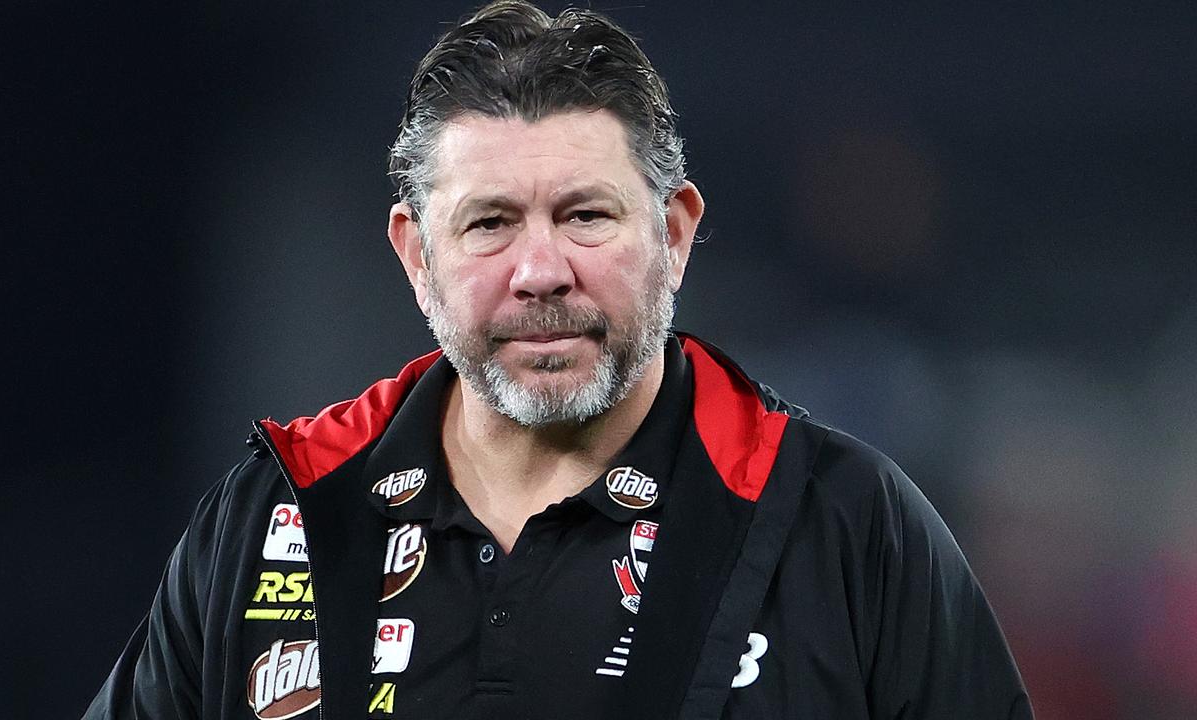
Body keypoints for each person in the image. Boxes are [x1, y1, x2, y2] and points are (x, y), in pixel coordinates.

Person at [84, 2, 1032, 718]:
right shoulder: (270, 515)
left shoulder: (849, 527)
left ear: (674, 232)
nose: (541, 271)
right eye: (489, 223)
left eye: (584, 215)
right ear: (417, 254)